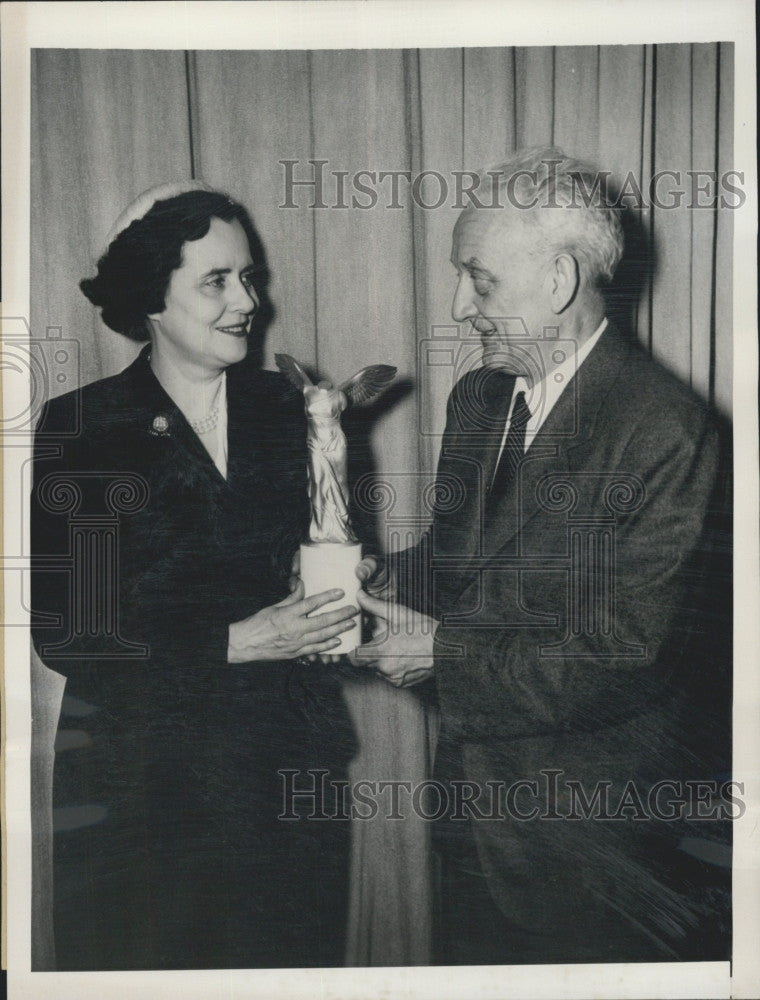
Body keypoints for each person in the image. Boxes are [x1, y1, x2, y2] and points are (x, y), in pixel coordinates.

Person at [355, 148, 732, 964]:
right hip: (471, 817)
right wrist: (376, 579)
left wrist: (442, 655)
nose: (461, 306)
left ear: (559, 281)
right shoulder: (481, 398)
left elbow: (629, 655)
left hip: (596, 852)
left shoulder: (665, 429)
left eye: (479, 280)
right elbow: (459, 561)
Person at [30, 181, 359, 970]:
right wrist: (230, 643)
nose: (247, 300)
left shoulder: (291, 409)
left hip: (283, 778)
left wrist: (342, 573)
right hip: (141, 794)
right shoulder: (86, 426)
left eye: (248, 276)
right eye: (216, 280)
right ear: (150, 295)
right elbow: (68, 631)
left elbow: (316, 546)